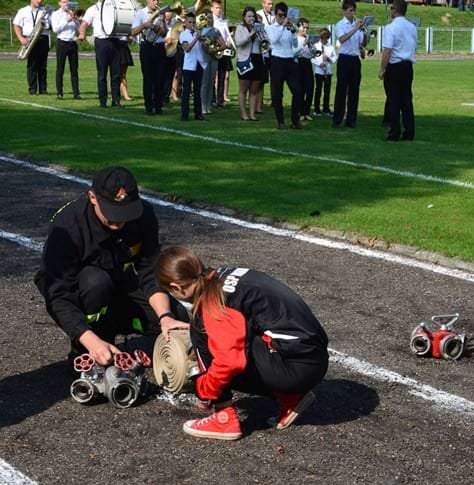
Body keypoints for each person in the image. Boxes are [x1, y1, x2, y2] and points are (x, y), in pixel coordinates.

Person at [155, 246, 329, 441]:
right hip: (314, 357)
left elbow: (230, 361)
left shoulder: (213, 301)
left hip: (296, 367)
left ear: (176, 287)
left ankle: (223, 418)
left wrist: (205, 389)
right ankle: (290, 397)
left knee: (200, 332)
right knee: (228, 337)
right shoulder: (220, 275)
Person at [34, 167, 188, 368]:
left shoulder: (143, 214)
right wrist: (90, 340)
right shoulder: (68, 227)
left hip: (121, 282)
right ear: (92, 197)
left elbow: (150, 270)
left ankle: (125, 338)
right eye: (113, 213)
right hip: (87, 291)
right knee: (96, 281)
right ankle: (85, 350)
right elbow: (58, 295)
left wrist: (165, 317)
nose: (120, 221)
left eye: (126, 213)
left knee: (177, 316)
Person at [379, 0, 416, 142]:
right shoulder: (412, 27)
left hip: (395, 66)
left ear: (394, 10)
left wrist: (382, 68)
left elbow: (387, 50)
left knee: (393, 100)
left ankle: (394, 132)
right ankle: (409, 131)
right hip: (408, 65)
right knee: (406, 100)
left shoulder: (391, 27)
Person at [265, 2, 303, 129]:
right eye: (280, 15)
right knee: (277, 93)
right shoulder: (271, 27)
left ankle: (295, 119)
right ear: (275, 15)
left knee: (297, 91)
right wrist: (282, 26)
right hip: (277, 60)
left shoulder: (288, 27)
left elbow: (295, 44)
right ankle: (280, 120)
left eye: (284, 15)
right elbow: (273, 40)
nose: (282, 18)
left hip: (290, 60)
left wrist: (293, 31)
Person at [80, 0, 122, 107]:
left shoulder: (115, 7)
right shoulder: (93, 9)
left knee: (116, 73)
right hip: (101, 41)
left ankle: (116, 100)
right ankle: (103, 101)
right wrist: (82, 34)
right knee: (102, 73)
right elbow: (84, 23)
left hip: (115, 40)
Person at [333, 0, 366, 128]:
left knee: (354, 91)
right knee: (341, 90)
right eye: (350, 10)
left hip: (355, 59)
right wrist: (355, 28)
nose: (353, 13)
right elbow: (342, 39)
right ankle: (337, 119)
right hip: (344, 59)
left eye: (354, 10)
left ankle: (351, 120)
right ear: (344, 11)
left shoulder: (357, 26)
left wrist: (364, 31)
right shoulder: (340, 24)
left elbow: (363, 43)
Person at [131, 0, 168, 115]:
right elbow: (133, 32)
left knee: (160, 78)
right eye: (153, 0)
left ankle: (158, 106)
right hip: (147, 47)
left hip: (160, 47)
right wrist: (144, 25)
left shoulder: (161, 14)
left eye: (157, 0)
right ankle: (148, 106)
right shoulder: (141, 13)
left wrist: (161, 23)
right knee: (148, 78)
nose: (155, 2)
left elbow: (164, 34)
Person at [13, 0, 51, 95]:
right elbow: (16, 25)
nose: (40, 1)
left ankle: (43, 89)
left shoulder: (46, 11)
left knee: (43, 66)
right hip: (29, 39)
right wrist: (21, 38)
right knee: (32, 65)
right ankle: (33, 89)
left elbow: (51, 25)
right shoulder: (23, 11)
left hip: (43, 38)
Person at [234, 6, 263, 121]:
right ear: (244, 17)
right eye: (249, 16)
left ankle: (252, 114)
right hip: (245, 60)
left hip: (257, 58)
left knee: (254, 89)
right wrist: (251, 34)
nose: (251, 18)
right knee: (243, 89)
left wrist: (261, 35)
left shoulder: (258, 28)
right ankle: (243, 113)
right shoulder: (240, 28)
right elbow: (239, 43)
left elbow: (266, 43)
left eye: (253, 16)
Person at [51, 0, 81, 100]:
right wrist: (67, 20)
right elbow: (55, 29)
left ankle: (76, 93)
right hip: (62, 43)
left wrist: (75, 19)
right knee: (60, 69)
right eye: (63, 2)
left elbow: (79, 28)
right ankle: (59, 93)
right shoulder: (56, 14)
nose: (66, 4)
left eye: (67, 2)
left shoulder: (72, 13)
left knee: (74, 70)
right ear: (59, 3)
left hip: (72, 43)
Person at [180, 14, 208, 121]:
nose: (192, 24)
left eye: (193, 22)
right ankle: (184, 114)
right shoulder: (183, 34)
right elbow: (186, 49)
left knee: (198, 90)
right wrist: (196, 39)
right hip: (188, 66)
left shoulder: (198, 33)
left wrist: (203, 40)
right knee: (186, 91)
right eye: (190, 22)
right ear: (185, 23)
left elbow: (205, 48)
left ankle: (198, 114)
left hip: (199, 64)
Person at [212, 0, 232, 107]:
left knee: (222, 75)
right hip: (214, 51)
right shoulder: (211, 21)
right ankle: (212, 98)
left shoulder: (224, 21)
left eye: (219, 8)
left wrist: (228, 42)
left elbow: (227, 35)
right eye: (216, 8)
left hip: (224, 51)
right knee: (212, 76)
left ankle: (220, 99)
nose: (218, 10)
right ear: (212, 9)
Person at [312, 28, 335, 116]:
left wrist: (329, 59)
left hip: (328, 72)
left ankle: (326, 109)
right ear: (320, 37)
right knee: (318, 90)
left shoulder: (330, 47)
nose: (324, 40)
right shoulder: (315, 46)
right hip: (319, 72)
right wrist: (319, 63)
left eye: (326, 38)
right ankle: (316, 109)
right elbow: (312, 58)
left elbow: (335, 58)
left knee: (327, 91)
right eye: (323, 38)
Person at [295, 18, 315, 122]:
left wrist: (311, 46)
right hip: (298, 63)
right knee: (300, 89)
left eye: (307, 28)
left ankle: (306, 112)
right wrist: (304, 45)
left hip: (308, 63)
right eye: (304, 27)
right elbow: (294, 53)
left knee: (310, 88)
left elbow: (313, 54)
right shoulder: (295, 39)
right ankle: (300, 112)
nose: (306, 30)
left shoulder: (308, 38)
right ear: (299, 27)